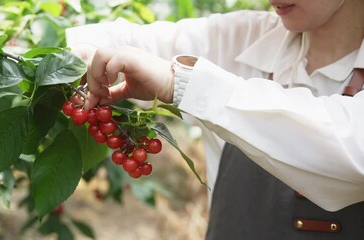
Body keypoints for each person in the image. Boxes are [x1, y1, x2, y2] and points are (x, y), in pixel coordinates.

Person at [66, 0, 364, 238]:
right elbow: (113, 39)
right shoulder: (245, 38)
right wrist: (86, 58)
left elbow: (352, 151)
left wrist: (181, 83)